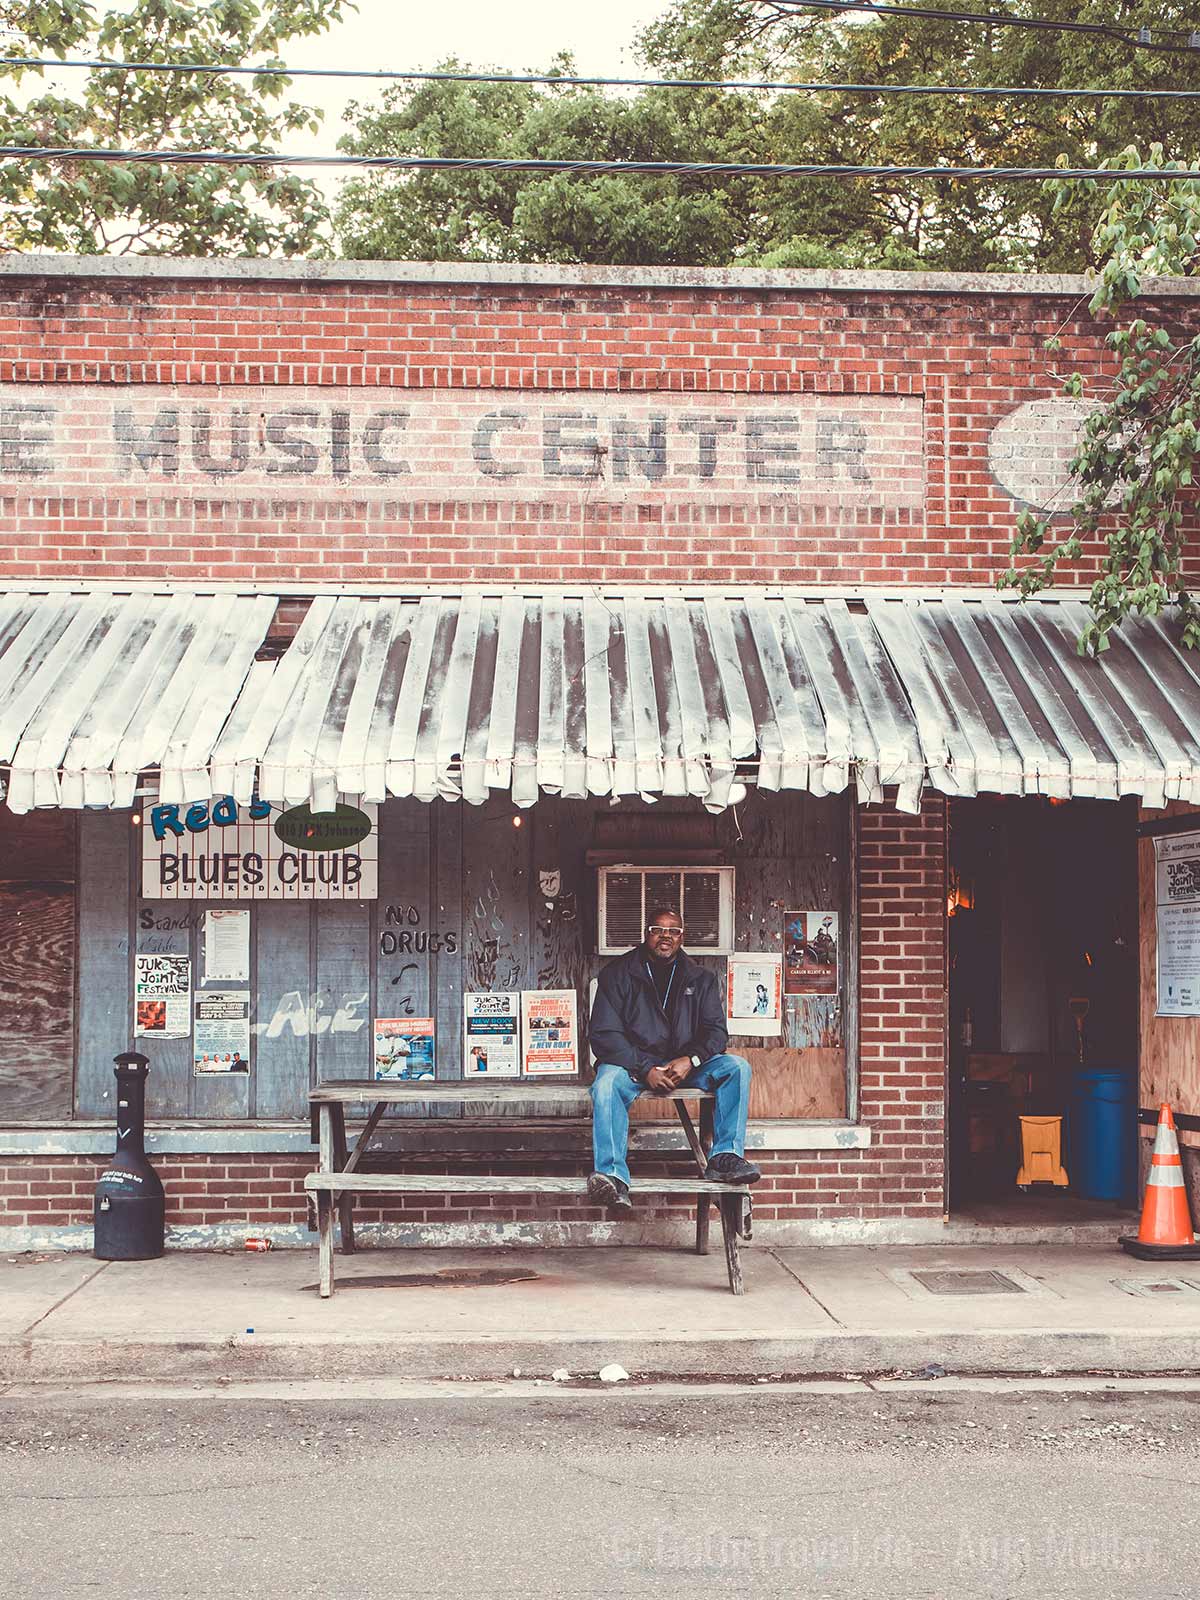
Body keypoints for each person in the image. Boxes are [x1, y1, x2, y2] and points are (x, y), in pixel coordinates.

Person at [586, 906, 761, 1213]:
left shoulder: (701, 978)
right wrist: (644, 1068)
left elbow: (716, 1033)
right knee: (605, 1083)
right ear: (646, 933)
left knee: (737, 1068)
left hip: (685, 1066)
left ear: (682, 937)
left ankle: (724, 1157)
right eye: (658, 929)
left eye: (673, 931)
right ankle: (612, 1176)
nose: (665, 936)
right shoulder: (616, 974)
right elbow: (603, 1034)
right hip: (632, 1064)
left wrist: (690, 1060)